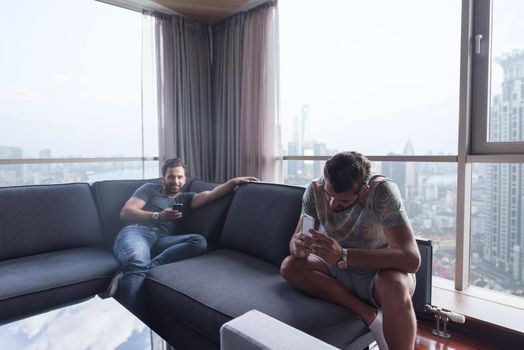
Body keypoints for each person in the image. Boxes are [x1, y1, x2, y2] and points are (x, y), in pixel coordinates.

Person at [280, 151, 420, 350]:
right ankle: (367, 313)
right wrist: (299, 248)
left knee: (395, 285)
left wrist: (344, 255)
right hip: (338, 268)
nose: (332, 204)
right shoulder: (315, 190)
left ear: (363, 192)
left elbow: (411, 259)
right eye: (329, 195)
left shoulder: (382, 191)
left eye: (342, 201)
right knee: (290, 266)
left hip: (378, 272)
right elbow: (296, 240)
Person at [110, 157, 258, 309]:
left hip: (163, 240)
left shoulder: (186, 198)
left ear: (185, 179)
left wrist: (233, 182)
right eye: (171, 176)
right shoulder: (150, 189)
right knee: (137, 261)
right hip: (137, 232)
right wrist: (158, 216)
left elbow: (211, 194)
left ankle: (141, 271)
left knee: (198, 241)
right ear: (163, 178)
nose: (176, 181)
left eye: (179, 177)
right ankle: (131, 305)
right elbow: (126, 213)